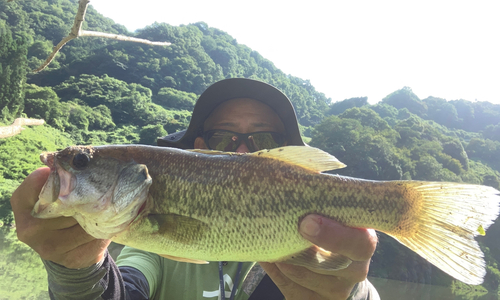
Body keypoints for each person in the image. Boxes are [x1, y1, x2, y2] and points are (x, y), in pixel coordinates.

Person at [11, 78, 379, 299]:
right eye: (224, 137)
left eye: (264, 140)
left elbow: (356, 288)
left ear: (294, 158)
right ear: (198, 150)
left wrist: (349, 293)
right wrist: (76, 272)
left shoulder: (320, 256)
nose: (241, 151)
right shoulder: (152, 250)